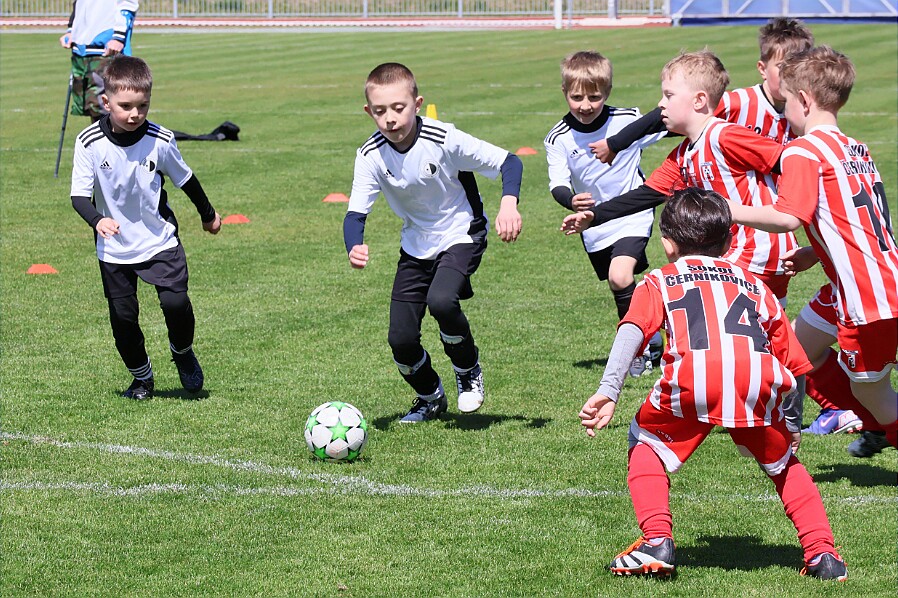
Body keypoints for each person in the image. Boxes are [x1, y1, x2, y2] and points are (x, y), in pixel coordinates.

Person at [587, 20, 863, 436]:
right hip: (745, 250)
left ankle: (774, 413)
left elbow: (784, 156)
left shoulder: (726, 135)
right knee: (775, 336)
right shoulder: (685, 153)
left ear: (699, 100)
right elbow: (648, 193)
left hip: (755, 248)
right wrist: (594, 216)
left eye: (666, 95)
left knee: (754, 333)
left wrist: (788, 206)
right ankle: (807, 410)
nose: (660, 105)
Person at [579, 187, 846, 581]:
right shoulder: (755, 284)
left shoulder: (660, 280)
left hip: (693, 380)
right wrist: (791, 424)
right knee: (784, 463)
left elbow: (632, 330)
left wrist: (609, 390)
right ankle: (824, 554)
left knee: (646, 443)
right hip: (756, 383)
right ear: (730, 239)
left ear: (667, 244)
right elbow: (794, 362)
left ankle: (656, 541)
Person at [727, 46, 898, 455]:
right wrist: (813, 252)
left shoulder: (803, 150)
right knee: (798, 350)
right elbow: (853, 219)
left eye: (786, 102)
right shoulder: (855, 147)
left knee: (876, 392)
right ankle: (874, 425)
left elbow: (787, 216)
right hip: (858, 280)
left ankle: (883, 427)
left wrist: (728, 208)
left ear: (804, 100)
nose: (784, 112)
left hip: (866, 295)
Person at [344, 63, 523, 423]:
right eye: (380, 111)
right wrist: (354, 244)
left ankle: (467, 370)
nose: (390, 118)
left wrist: (508, 203)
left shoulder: (445, 138)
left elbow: (510, 162)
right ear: (368, 112)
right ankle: (429, 397)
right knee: (401, 340)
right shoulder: (370, 154)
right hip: (415, 244)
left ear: (417, 103)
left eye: (399, 108)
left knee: (442, 300)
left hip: (462, 233)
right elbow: (355, 213)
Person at [69, 55, 222, 400]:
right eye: (125, 106)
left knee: (176, 304)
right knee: (123, 318)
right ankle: (142, 378)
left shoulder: (160, 139)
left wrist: (208, 214)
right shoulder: (89, 142)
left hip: (158, 240)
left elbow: (187, 180)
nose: (135, 114)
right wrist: (98, 219)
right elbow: (79, 196)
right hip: (114, 247)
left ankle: (182, 353)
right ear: (106, 102)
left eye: (143, 106)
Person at [544, 51, 665, 377]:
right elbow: (557, 183)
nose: (585, 105)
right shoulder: (558, 137)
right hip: (594, 223)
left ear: (607, 92)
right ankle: (650, 336)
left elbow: (668, 126)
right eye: (577, 97)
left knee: (620, 276)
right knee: (621, 285)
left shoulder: (627, 119)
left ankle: (635, 351)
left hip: (632, 212)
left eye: (594, 97)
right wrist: (571, 200)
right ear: (565, 92)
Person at [59, 0, 139, 122]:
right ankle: (100, 141)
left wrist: (118, 36)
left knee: (109, 107)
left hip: (105, 49)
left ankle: (115, 141)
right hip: (81, 49)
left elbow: (127, 4)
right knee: (93, 108)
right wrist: (71, 30)